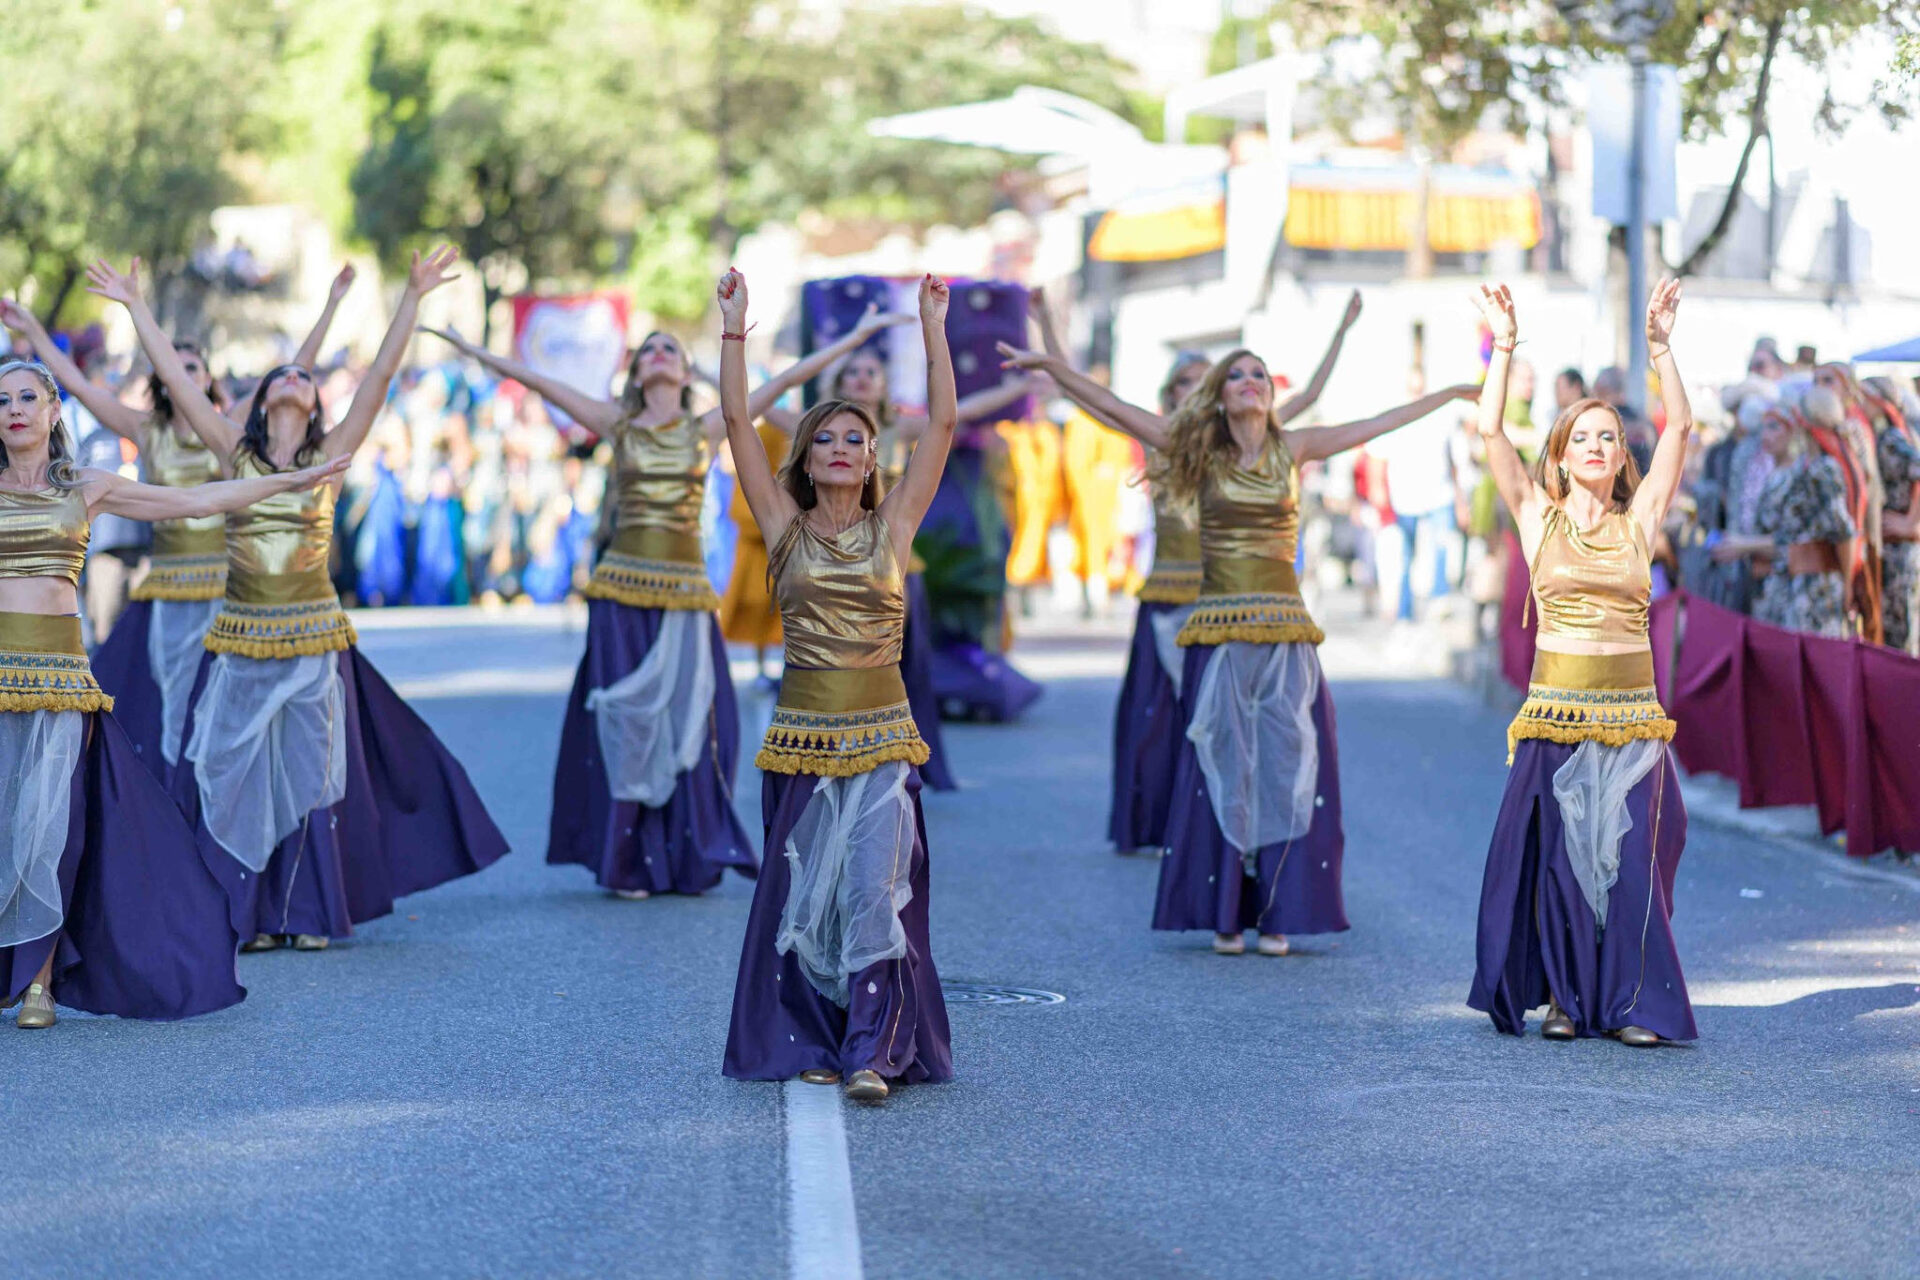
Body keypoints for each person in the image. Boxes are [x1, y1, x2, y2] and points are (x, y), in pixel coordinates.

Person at [90, 251, 510, 953]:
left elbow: (379, 377)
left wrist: (410, 298)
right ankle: (246, 913)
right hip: (241, 637)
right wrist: (135, 306)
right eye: (281, 374)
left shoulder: (332, 456)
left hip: (315, 640)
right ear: (259, 401)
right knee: (230, 768)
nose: (293, 377)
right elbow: (178, 383)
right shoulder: (232, 451)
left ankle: (306, 911)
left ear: (316, 403)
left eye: (304, 376)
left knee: (307, 776)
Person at [425, 301, 897, 897]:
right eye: (648, 349)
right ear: (636, 372)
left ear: (681, 370)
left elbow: (784, 382)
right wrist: (471, 350)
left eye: (668, 349)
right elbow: (538, 381)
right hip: (621, 596)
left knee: (688, 723)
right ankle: (627, 860)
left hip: (685, 598)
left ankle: (682, 854)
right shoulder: (617, 423)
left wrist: (854, 336)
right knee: (626, 722)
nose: (658, 355)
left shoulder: (703, 428)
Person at [0, 357, 349, 1028]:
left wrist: (289, 481)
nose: (13, 409)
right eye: (1, 400)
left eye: (26, 397)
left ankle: (38, 981)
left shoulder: (88, 487)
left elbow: (197, 502)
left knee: (46, 830)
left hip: (59, 680)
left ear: (52, 411)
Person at [1003, 290, 1361, 856]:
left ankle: (1239, 842)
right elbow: (1087, 396)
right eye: (1185, 383)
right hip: (1170, 599)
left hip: (1229, 603)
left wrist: (1341, 331)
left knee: (1237, 727)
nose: (1194, 389)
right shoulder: (1163, 440)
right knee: (1168, 723)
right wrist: (1047, 330)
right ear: (1171, 395)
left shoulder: (1252, 440)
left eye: (1203, 380)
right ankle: (1175, 830)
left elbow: (1310, 396)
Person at [720, 269, 955, 1101]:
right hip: (805, 740)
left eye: (857, 438)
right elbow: (736, 422)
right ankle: (816, 1037)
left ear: (872, 457)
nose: (844, 448)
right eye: (827, 439)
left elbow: (944, 424)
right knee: (807, 898)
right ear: (808, 458)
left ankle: (871, 1050)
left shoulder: (894, 526)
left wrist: (931, 326)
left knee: (872, 891)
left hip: (885, 736)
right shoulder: (783, 529)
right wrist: (734, 328)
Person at [2, 267, 353, 773]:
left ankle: (221, 785)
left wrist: (331, 305)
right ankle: (175, 788)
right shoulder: (148, 430)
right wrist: (34, 332)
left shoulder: (230, 429)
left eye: (193, 368)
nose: (184, 375)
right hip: (169, 585)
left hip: (226, 588)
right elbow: (73, 384)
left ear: (207, 378)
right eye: (176, 367)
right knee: (174, 701)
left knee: (227, 707)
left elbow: (289, 376)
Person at [1467, 280, 1697, 1047]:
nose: (1598, 446)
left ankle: (1631, 1006)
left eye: (1609, 437)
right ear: (1562, 458)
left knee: (1627, 870)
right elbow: (1489, 429)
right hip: (1556, 716)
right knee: (1565, 869)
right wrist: (1504, 346)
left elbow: (1680, 427)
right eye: (1583, 438)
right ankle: (1565, 1001)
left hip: (1633, 722)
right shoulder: (1538, 517)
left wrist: (1661, 348)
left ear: (1621, 456)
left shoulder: (1642, 521)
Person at [792, 332, 1042, 789]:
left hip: (894, 567)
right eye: (852, 372)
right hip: (827, 567)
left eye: (870, 372)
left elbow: (957, 413)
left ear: (884, 383)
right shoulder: (816, 436)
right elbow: (748, 411)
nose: (861, 379)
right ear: (838, 382)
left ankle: (897, 762)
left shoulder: (898, 429)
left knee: (894, 668)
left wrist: (1022, 388)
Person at [1711, 389, 1858, 639]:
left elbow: (1844, 534)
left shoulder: (1823, 468)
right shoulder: (1800, 469)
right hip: (1787, 586)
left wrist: (1848, 587)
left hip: (1815, 591)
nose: (1765, 436)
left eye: (1774, 427)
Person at [1861, 377, 1920, 654]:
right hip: (1895, 545)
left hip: (1899, 548)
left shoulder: (1890, 439)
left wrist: (1910, 522)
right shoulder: (1889, 435)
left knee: (1900, 633)